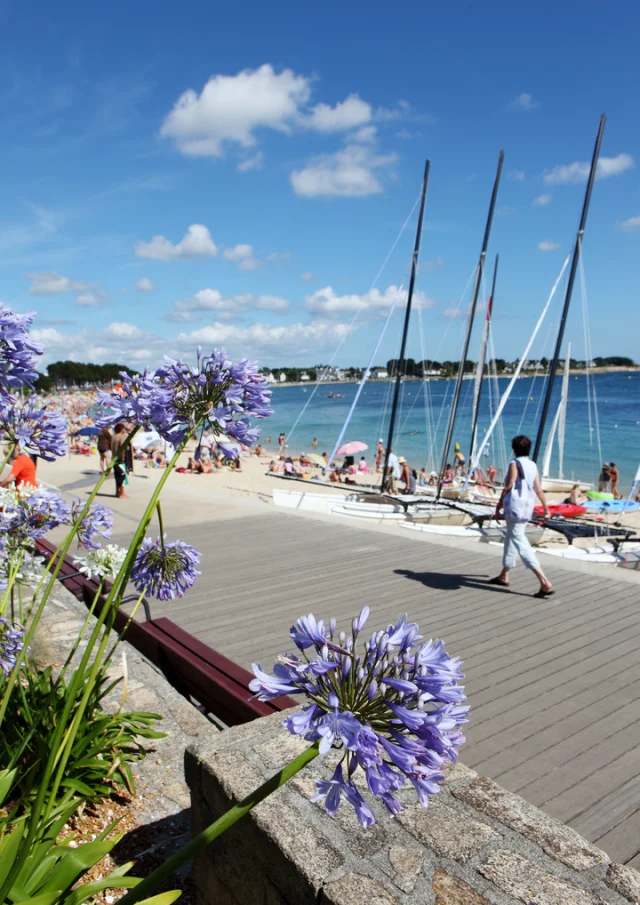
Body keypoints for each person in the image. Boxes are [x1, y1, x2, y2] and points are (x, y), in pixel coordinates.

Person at [490, 434, 553, 598]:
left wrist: (498, 506)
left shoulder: (514, 463)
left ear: (514, 449)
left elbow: (508, 486)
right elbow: (538, 489)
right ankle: (504, 574)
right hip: (527, 508)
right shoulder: (533, 465)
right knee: (512, 538)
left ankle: (544, 581)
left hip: (515, 508)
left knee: (520, 542)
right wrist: (546, 508)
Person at [111, 423, 129, 498]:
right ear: (121, 429)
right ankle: (122, 493)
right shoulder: (121, 437)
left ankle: (117, 492)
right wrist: (123, 456)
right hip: (120, 459)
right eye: (124, 428)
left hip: (114, 458)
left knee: (117, 476)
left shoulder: (113, 436)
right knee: (122, 476)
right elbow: (121, 446)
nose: (125, 429)